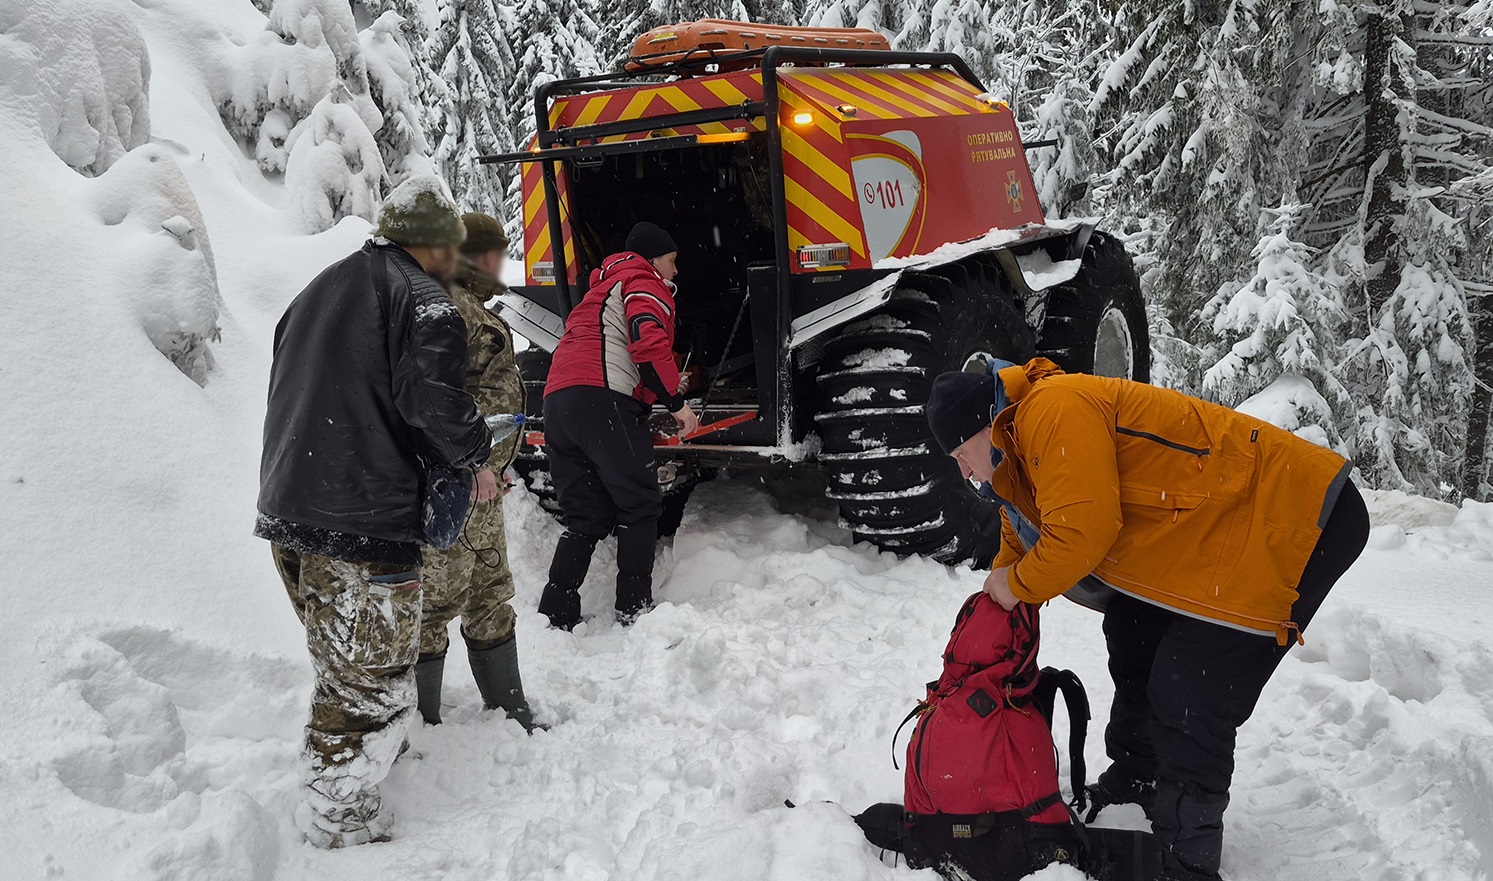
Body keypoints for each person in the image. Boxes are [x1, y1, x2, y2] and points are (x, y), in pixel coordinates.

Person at [924, 357, 1369, 881]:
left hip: (1294, 514)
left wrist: (1014, 584)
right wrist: (995, 600)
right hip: (1215, 534)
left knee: (1191, 683)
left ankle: (1187, 855)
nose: (963, 471)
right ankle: (1140, 774)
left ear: (983, 427)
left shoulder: (1051, 408)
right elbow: (1021, 535)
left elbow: (1083, 532)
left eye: (960, 454)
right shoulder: (1016, 453)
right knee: (1133, 628)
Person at [255, 175, 494, 848]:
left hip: (290, 507)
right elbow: (437, 408)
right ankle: (340, 810)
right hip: (364, 518)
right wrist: (476, 451)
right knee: (371, 669)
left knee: (341, 658)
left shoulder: (316, 290)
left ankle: (352, 767)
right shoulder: (423, 302)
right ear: (436, 245)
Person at [414, 212, 542, 732]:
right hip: (455, 488)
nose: (502, 264)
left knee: (489, 591)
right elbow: (439, 404)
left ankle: (508, 710)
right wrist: (475, 466)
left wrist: (492, 467)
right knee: (434, 603)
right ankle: (421, 722)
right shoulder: (451, 312)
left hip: (479, 488)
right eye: (497, 253)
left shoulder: (469, 309)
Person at [536, 221, 698, 630]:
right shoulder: (642, 282)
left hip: (557, 403)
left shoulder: (597, 292)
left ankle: (555, 615)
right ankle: (634, 610)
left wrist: (653, 389)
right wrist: (676, 404)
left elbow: (605, 350)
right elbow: (646, 341)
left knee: (585, 514)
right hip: (602, 401)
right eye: (672, 261)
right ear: (652, 258)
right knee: (639, 503)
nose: (675, 272)